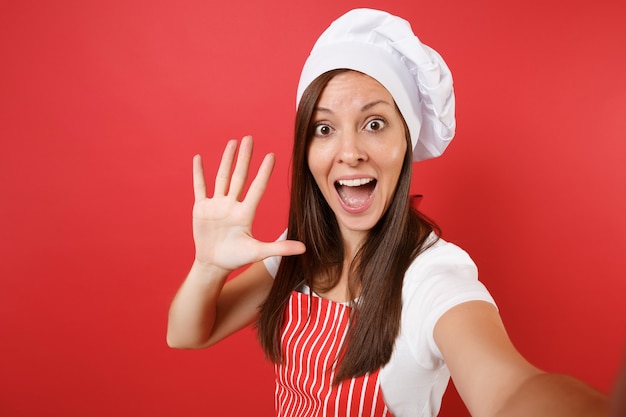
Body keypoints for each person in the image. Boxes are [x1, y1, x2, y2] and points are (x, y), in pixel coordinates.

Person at [167, 8, 610, 417]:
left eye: (374, 124)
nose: (349, 152)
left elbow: (512, 389)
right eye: (324, 129)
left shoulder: (434, 276)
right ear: (306, 149)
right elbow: (186, 335)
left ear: (407, 142)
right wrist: (207, 267)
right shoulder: (297, 246)